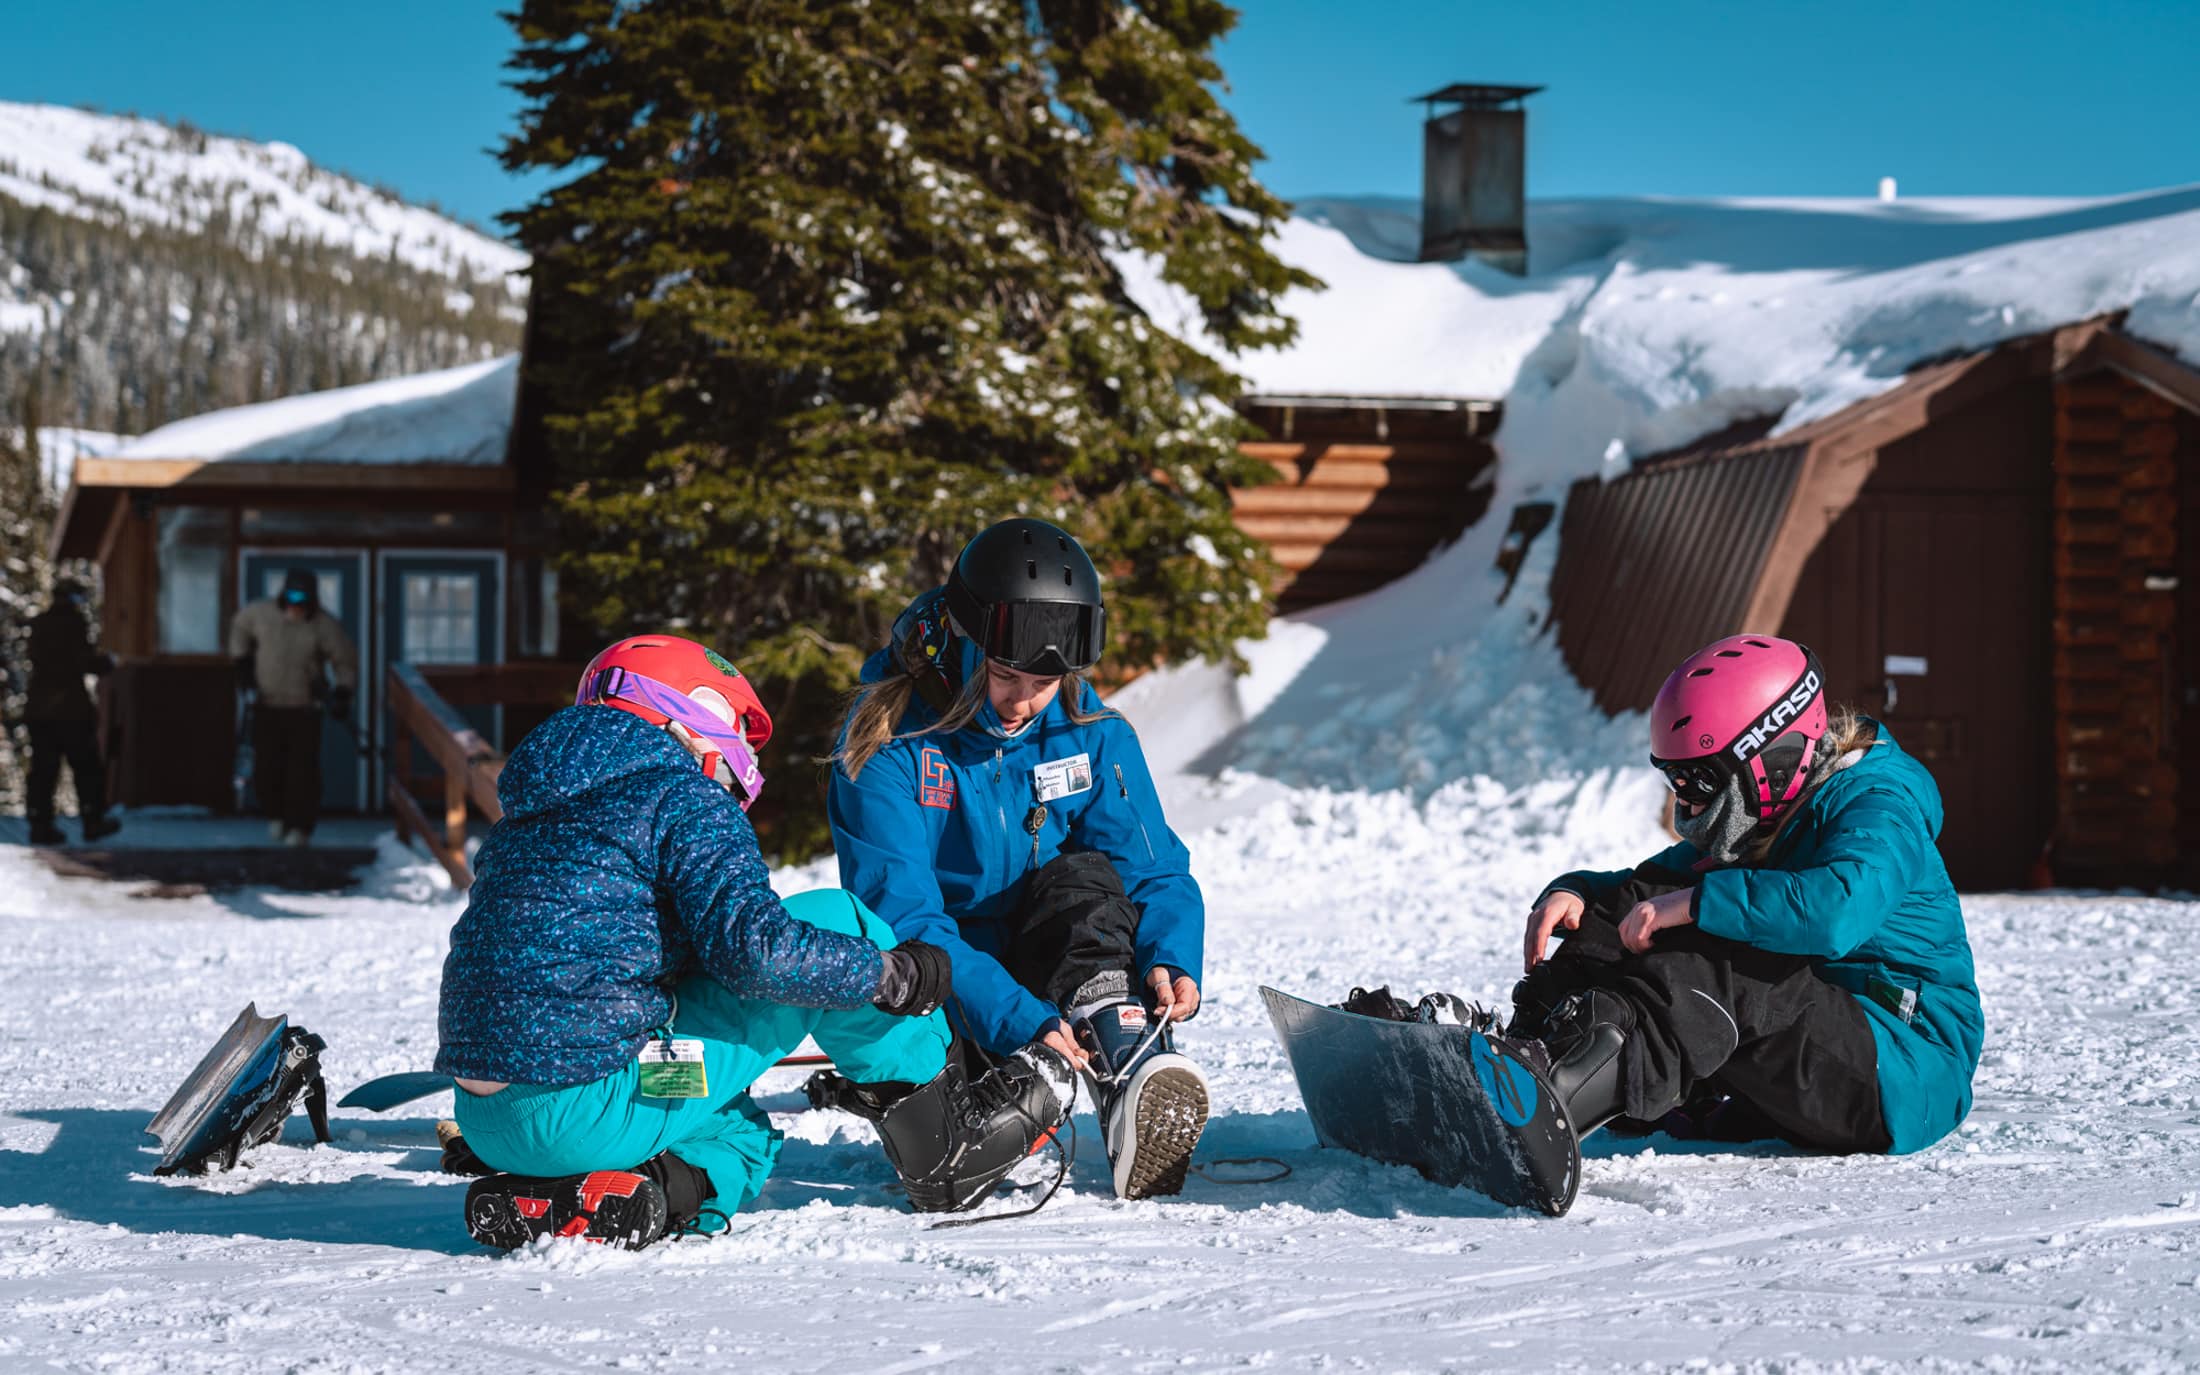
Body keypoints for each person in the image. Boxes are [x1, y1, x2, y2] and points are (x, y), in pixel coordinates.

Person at [436, 634, 1074, 1251]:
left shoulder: (530, 814)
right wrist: (892, 974)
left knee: (741, 1132)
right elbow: (757, 953)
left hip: (489, 1119)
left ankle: (620, 1194)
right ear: (697, 716)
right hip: (595, 1102)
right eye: (739, 732)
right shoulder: (679, 794)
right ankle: (945, 1144)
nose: (744, 758)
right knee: (837, 919)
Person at [827, 518, 1211, 1200]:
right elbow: (905, 914)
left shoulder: (1088, 731)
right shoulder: (889, 741)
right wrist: (1015, 1017)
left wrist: (1172, 955)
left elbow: (1151, 867)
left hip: (1044, 968)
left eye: (1047, 680)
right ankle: (988, 1093)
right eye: (1007, 675)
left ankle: (1133, 1075)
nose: (1026, 701)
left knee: (1085, 881)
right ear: (964, 644)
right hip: (946, 983)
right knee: (956, 1153)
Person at [1512, 634, 1984, 1158]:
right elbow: (1651, 889)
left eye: (1697, 778)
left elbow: (1836, 911)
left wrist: (1695, 904)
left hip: (1903, 1070)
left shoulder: (1878, 806)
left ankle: (1557, 1100)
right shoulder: (1772, 813)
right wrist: (1578, 894)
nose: (1684, 797)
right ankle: (1524, 1052)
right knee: (1642, 906)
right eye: (1673, 777)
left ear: (1770, 758)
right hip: (1825, 1051)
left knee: (1720, 958)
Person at [228, 569, 358, 846]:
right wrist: (242, 663)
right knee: (267, 768)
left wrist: (343, 691)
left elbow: (345, 660)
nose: (295, 603)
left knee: (302, 772)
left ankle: (300, 827)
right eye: (292, 596)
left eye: (302, 598)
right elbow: (239, 627)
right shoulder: (262, 614)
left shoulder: (323, 625)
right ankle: (276, 816)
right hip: (266, 704)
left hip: (304, 708)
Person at [22, 577, 118, 846]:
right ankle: (92, 820)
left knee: (44, 769)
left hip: (40, 709)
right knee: (86, 766)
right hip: (69, 710)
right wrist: (105, 663)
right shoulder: (74, 624)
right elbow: (81, 661)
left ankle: (40, 824)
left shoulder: (39, 623)